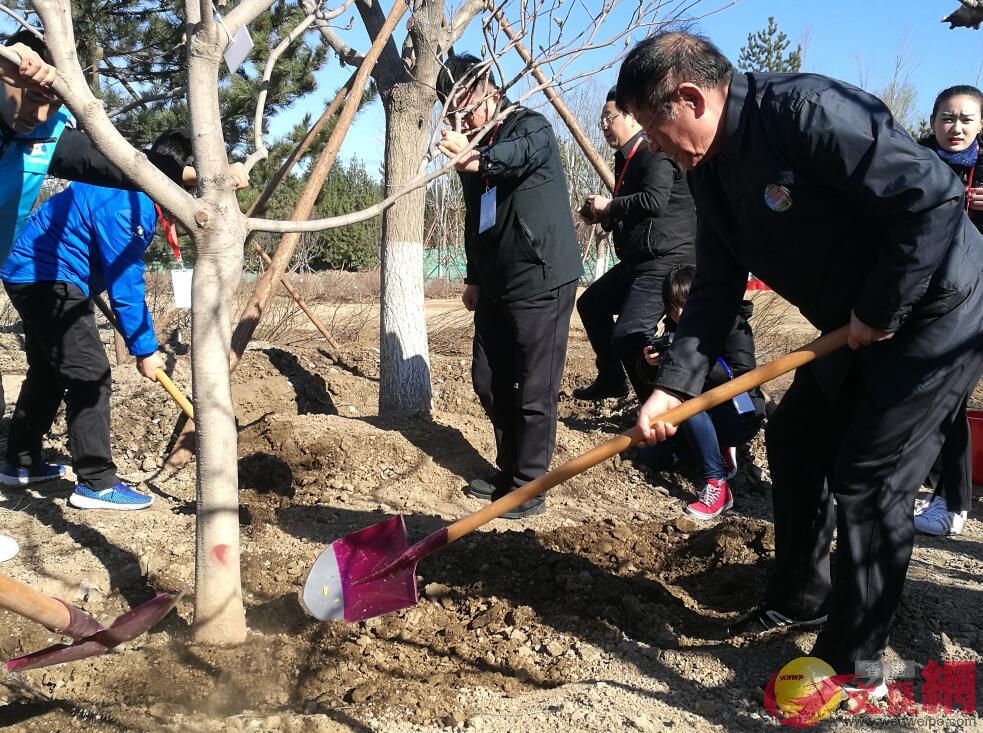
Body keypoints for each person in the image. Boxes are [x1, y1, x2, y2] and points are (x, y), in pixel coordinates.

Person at [618, 32, 983, 688]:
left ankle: (854, 661)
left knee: (870, 478)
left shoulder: (805, 112)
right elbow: (712, 290)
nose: (657, 146)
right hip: (853, 324)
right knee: (796, 438)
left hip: (936, 311)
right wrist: (671, 387)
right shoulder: (709, 174)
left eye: (655, 127)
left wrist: (880, 306)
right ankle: (799, 596)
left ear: (690, 98)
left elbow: (929, 197)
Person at [0, 129, 195, 510]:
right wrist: (146, 350)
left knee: (49, 372)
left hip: (38, 273)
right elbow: (126, 285)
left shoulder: (131, 188)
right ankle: (97, 483)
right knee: (89, 373)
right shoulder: (132, 201)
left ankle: (20, 464)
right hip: (46, 276)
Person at [436, 53, 583, 518]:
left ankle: (529, 484)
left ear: (487, 89)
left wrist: (476, 156)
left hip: (541, 278)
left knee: (535, 388)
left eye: (463, 99)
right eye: (450, 105)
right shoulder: (476, 150)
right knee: (489, 379)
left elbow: (513, 157)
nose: (459, 112)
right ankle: (508, 468)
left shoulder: (529, 126)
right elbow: (475, 221)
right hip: (497, 284)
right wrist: (474, 278)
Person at [573, 87, 696, 402]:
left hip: (666, 261)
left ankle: (659, 401)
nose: (602, 124)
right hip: (639, 260)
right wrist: (601, 215)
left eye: (608, 117)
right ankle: (613, 378)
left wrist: (610, 207)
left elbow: (654, 201)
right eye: (601, 118)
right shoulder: (626, 158)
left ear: (632, 117)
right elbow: (638, 212)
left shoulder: (655, 151)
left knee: (629, 334)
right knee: (591, 304)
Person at [912, 84, 983, 536]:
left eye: (966, 119)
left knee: (950, 397)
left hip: (975, 302)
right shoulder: (911, 159)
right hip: (918, 295)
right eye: (946, 118)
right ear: (933, 121)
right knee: (917, 393)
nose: (955, 128)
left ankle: (952, 501)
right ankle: (925, 481)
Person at [637, 266, 764, 519]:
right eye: (674, 306)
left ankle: (717, 485)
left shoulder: (732, 322)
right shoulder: (674, 330)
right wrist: (651, 364)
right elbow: (663, 385)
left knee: (688, 404)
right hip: (700, 418)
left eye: (687, 303)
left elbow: (742, 375)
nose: (681, 312)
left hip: (739, 412)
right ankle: (714, 450)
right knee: (652, 455)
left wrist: (692, 362)